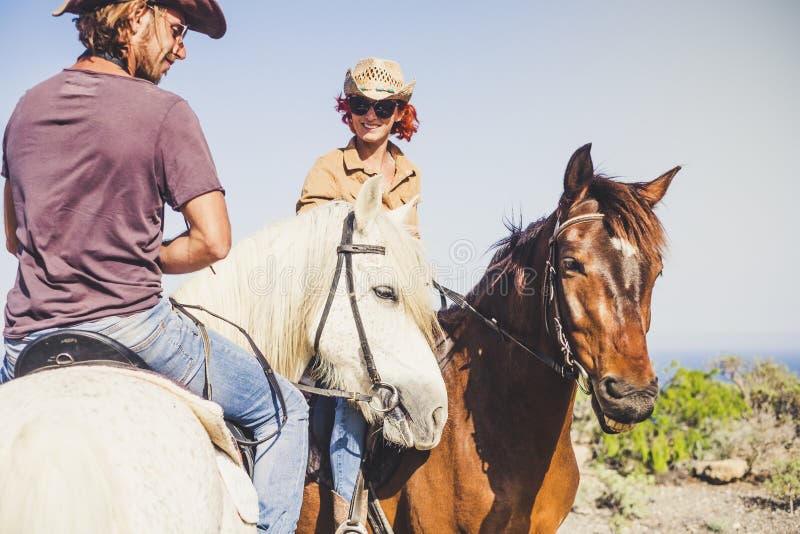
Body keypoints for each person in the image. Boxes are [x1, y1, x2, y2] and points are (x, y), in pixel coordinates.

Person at [1, 1, 307, 532]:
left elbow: (13, 238)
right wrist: (148, 253)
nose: (182, 49)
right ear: (136, 17)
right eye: (177, 29)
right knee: (286, 410)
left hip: (24, 340)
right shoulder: (164, 110)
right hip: (134, 327)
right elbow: (213, 242)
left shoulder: (25, 108)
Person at [295, 57, 421, 512]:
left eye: (383, 107)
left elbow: (411, 251)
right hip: (337, 312)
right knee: (355, 396)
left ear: (400, 113)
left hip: (386, 310)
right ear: (346, 109)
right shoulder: (328, 167)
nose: (371, 115)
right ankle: (347, 510)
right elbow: (308, 242)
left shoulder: (410, 174)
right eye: (360, 103)